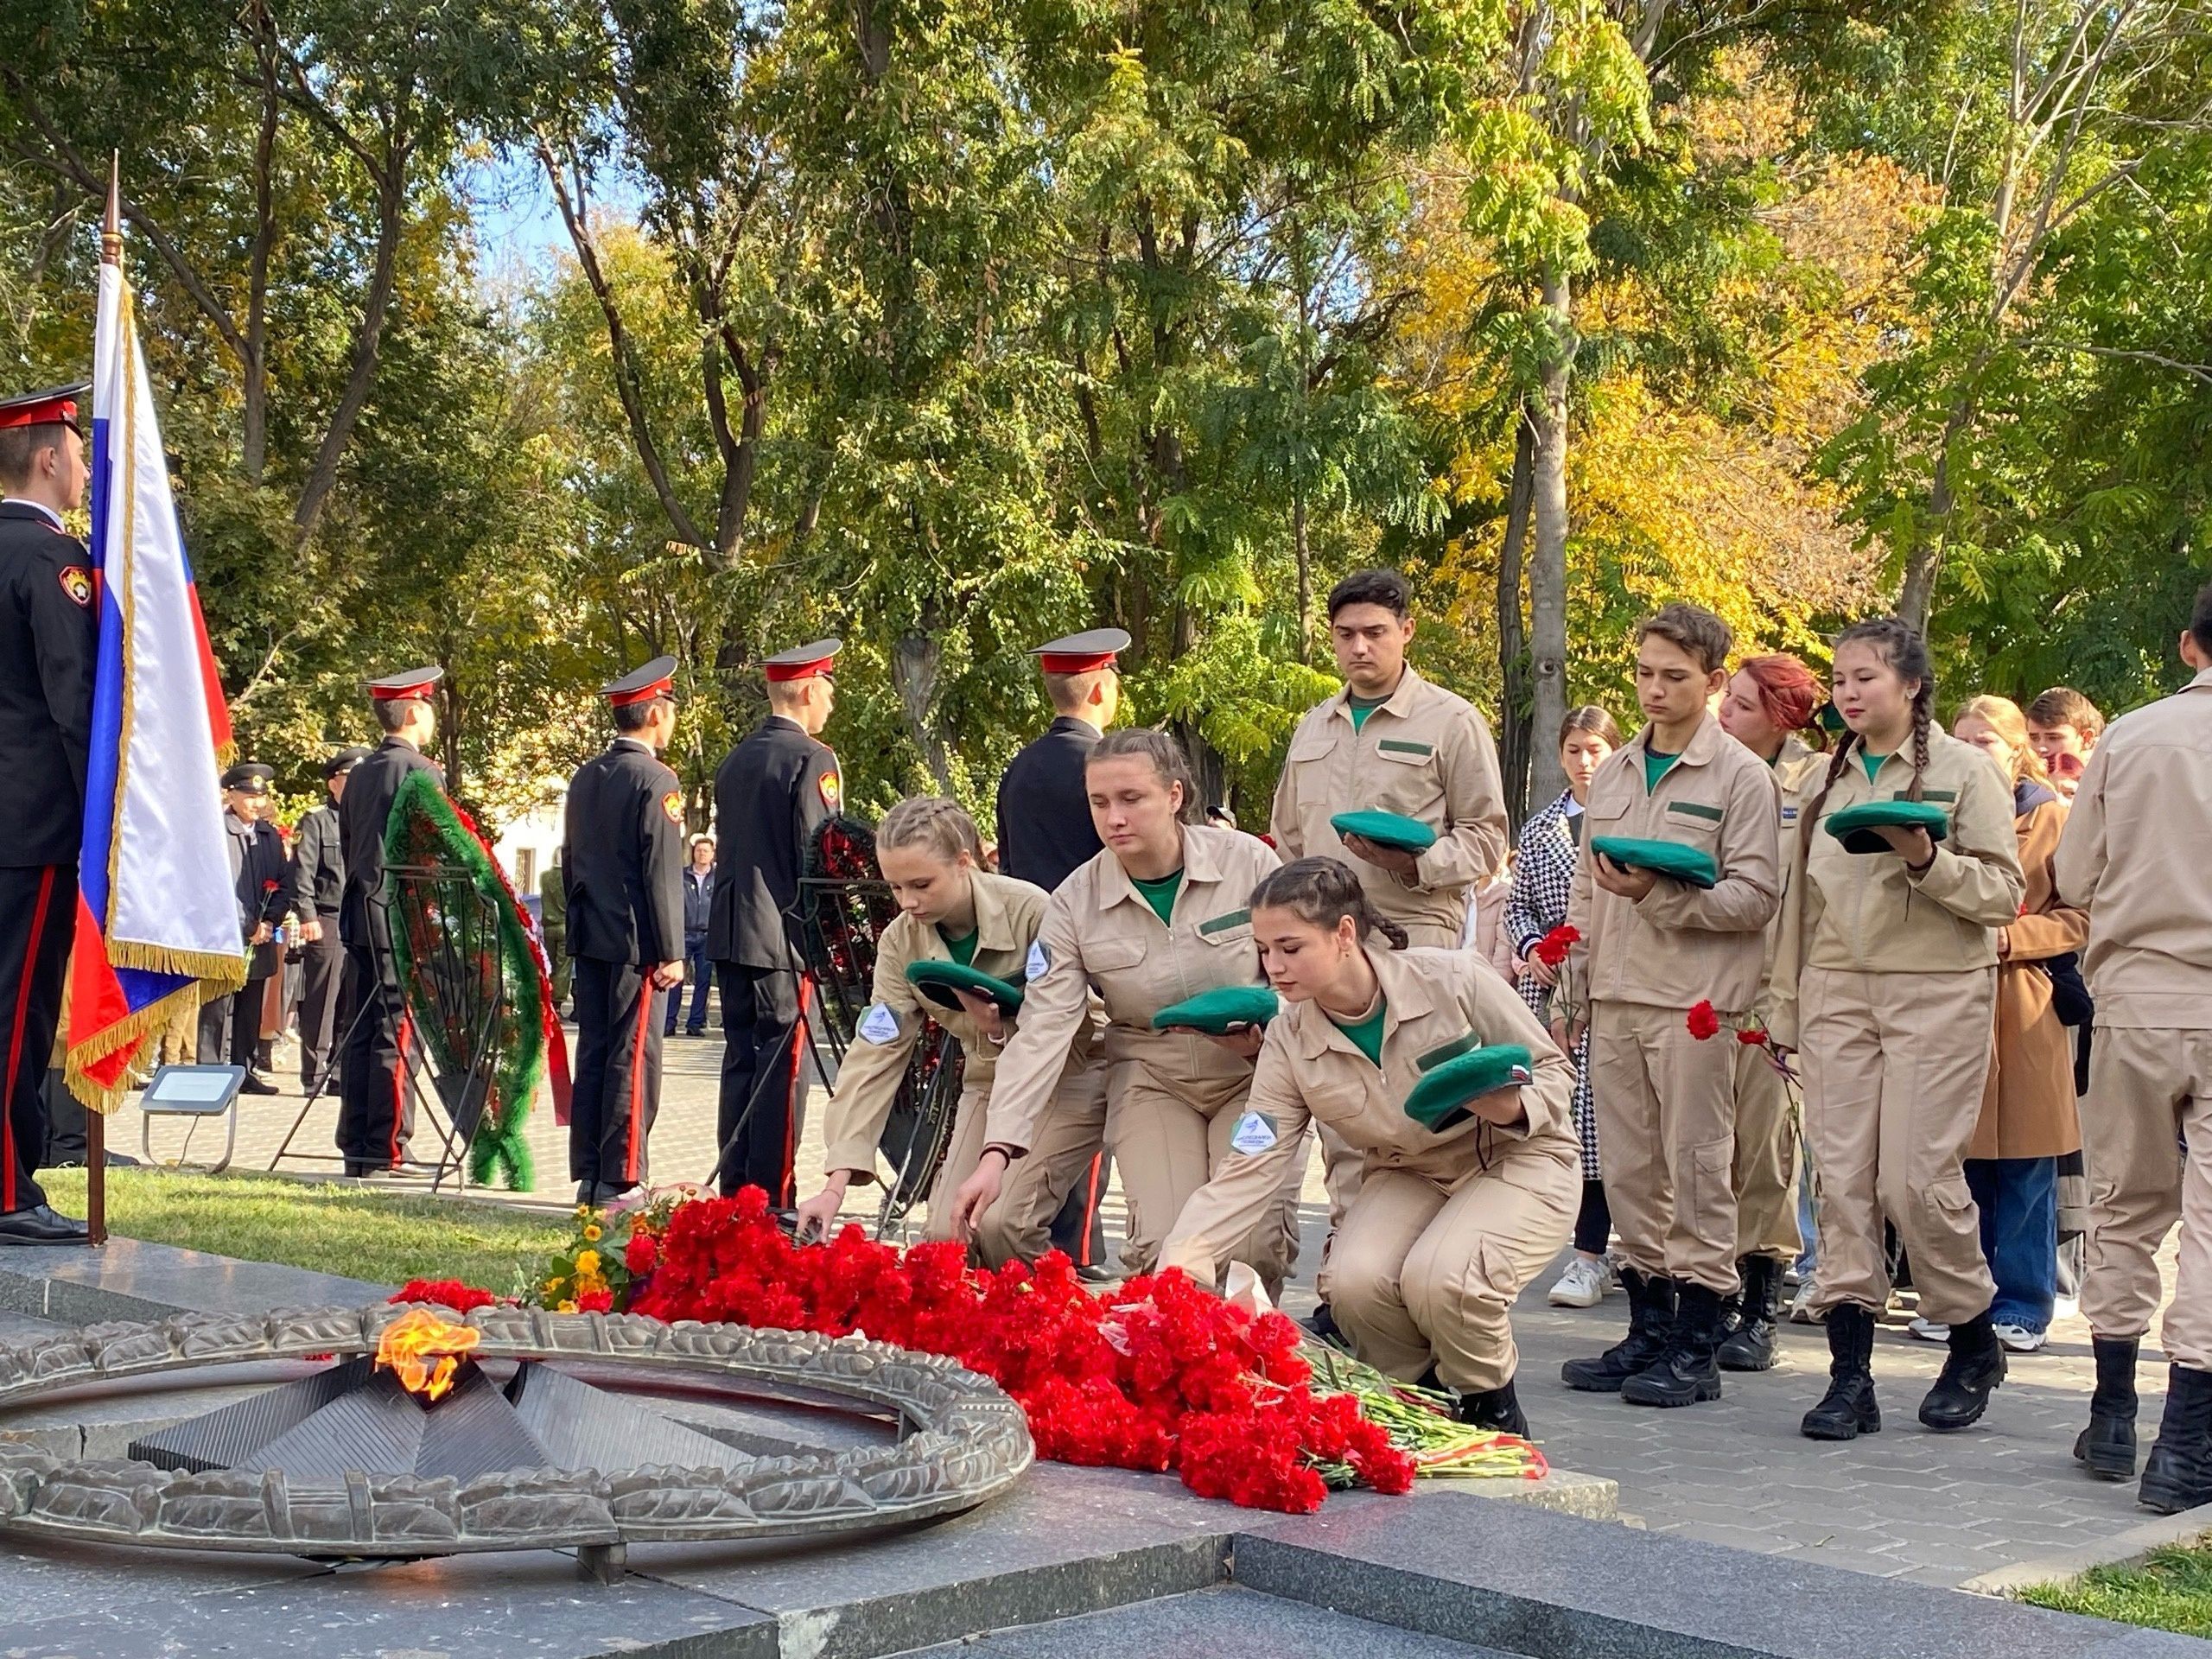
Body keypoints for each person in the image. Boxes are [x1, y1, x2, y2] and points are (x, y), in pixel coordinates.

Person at [1160, 857, 1577, 1433]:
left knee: (1443, 1278)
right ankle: (1425, 1403)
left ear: (1345, 934)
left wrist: (1511, 1105)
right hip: (1410, 1171)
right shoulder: (1287, 1038)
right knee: (1354, 1286)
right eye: (1263, 950)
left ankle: (1492, 1408)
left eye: (1290, 947)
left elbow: (1554, 1072)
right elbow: (1251, 1161)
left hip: (1518, 1157)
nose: (1273, 968)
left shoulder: (1455, 978)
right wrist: (1180, 1267)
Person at [1770, 617, 2025, 1440]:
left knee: (1915, 1182)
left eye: (1865, 678)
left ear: (1911, 686)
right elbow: (1797, 909)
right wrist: (1785, 1006)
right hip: (1839, 988)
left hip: (1938, 990)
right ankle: (1850, 1378)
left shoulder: (1965, 771)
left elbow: (2000, 898)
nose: (1847, 692)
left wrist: (1926, 860)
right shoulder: (1823, 778)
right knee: (1840, 1179)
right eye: (1840, 679)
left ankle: (1972, 1335)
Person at [949, 728, 1292, 1283]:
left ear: (1175, 796)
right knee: (1167, 1251)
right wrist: (997, 1154)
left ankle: (1251, 1365)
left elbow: (1303, 973)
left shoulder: (1248, 864)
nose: (1114, 818)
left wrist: (1271, 1028)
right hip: (1153, 1076)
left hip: (1255, 1072)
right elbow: (1043, 1032)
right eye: (1100, 803)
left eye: (1132, 799)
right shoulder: (1075, 903)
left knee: (1252, 1244)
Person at [1555, 604, 1782, 1409]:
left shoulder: (1741, 778)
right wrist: (1570, 984)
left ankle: (1697, 1338)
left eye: (1675, 677)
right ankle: (1647, 1325)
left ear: (1716, 683)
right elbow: (1586, 889)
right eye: (1645, 673)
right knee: (1627, 1169)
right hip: (1615, 997)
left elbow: (1756, 898)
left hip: (1695, 1000)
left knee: (1695, 1165)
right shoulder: (1613, 771)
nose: (1654, 690)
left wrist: (1662, 898)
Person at [1271, 568, 1511, 1262]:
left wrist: (1415, 863)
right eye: (1345, 635)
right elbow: (1288, 833)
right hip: (1324, 947)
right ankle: (1348, 1272)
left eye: (1375, 633)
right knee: (1344, 1113)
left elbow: (1489, 836)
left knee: (1416, 1114)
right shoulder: (1314, 724)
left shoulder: (1451, 720)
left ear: (1406, 632)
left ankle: (1423, 1268)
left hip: (1410, 940)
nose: (1359, 648)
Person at [2055, 584, 2212, 1509]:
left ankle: (2112, 1412)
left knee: (2123, 1204)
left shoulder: (2133, 734)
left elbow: (2074, 872)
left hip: (2140, 999)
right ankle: (2185, 1442)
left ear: (2191, 645)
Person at [796, 798, 1097, 1249]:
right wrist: (834, 1185)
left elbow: (1058, 1029)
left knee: (999, 1228)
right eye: (895, 888)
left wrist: (998, 1031)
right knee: (945, 1236)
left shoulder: (1032, 911)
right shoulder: (900, 941)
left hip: (1066, 1077)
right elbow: (875, 1055)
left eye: (921, 884)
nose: (908, 902)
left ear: (964, 862)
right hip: (988, 1081)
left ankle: (1048, 1315)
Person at [1895, 697, 2083, 1360]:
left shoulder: (2051, 817)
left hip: (2026, 1005)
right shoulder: (1933, 813)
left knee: (2027, 1167)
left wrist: (2012, 938)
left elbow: (2081, 914)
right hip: (1948, 998)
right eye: (1964, 739)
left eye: (1989, 742)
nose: (1975, 751)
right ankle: (1958, 1301)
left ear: (2016, 750)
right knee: (1955, 1159)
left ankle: (2024, 1303)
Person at [994, 627, 1132, 1277]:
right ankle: (1078, 1250)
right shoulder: (1108, 767)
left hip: (1032, 959)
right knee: (1087, 1103)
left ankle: (1037, 1236)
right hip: (1096, 953)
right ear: (1103, 688)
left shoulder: (1019, 767)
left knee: (1044, 1098)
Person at [1709, 653, 1828, 1369]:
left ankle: (1759, 1305)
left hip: (1773, 989)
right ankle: (1706, 1295)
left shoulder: (1813, 782)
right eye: (1727, 699)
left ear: (1785, 716)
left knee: (1766, 1150)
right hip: (1701, 978)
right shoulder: (1706, 768)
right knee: (1699, 1147)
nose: (1726, 713)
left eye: (1744, 705)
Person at [0, 384, 94, 1243]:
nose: (85, 470)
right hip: (28, 828)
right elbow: (75, 702)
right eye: (78, 453)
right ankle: (5, 1191)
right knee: (15, 1009)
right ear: (47, 458)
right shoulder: (45, 558)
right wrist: (105, 818)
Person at [708, 639, 842, 1204]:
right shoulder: (813, 759)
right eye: (829, 692)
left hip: (732, 931)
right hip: (785, 937)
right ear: (810, 689)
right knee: (783, 1069)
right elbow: (822, 860)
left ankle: (737, 1189)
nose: (831, 705)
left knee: (740, 1062)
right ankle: (773, 1195)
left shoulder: (736, 758)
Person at [1504, 706, 1621, 1308]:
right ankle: (1575, 1249)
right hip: (1549, 986)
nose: (1584, 762)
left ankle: (1598, 1253)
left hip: (1614, 984)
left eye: (1596, 749)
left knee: (1606, 1126)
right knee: (1562, 1121)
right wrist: (1531, 947)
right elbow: (1517, 904)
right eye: (1574, 749)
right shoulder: (1542, 827)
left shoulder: (1630, 817)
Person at [563, 658, 686, 1205]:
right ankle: (623, 1172)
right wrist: (671, 950)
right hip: (637, 940)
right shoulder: (657, 779)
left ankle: (590, 1169)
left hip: (591, 931)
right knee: (634, 1054)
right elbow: (661, 870)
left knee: (594, 1049)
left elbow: (571, 860)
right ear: (656, 713)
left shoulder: (585, 776)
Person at [337, 667, 444, 1177]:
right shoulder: (420, 771)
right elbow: (432, 854)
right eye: (428, 706)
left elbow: (348, 847)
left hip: (361, 913)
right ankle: (388, 1146)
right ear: (414, 712)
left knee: (360, 1030)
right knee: (396, 1030)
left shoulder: (359, 772)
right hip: (400, 916)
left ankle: (357, 1143)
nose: (432, 716)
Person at [200, 764, 291, 1092]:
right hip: (226, 937)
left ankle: (244, 1070)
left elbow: (284, 882)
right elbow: (215, 887)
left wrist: (270, 921)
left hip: (261, 936)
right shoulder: (216, 831)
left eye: (260, 797)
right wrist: (247, 925)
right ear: (232, 795)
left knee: (250, 1006)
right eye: (249, 796)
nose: (255, 803)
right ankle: (210, 1073)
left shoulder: (268, 836)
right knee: (218, 1007)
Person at [289, 746, 365, 1094]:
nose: (354, 786)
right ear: (332, 783)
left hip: (360, 916)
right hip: (327, 916)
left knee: (351, 1000)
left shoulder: (365, 817)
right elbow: (302, 872)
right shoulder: (317, 820)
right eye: (349, 779)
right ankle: (314, 1073)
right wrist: (307, 914)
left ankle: (340, 1072)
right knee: (322, 998)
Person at [666, 836, 715, 1036]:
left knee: (703, 981)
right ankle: (669, 1022)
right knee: (675, 979)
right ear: (693, 852)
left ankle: (695, 1023)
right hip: (683, 933)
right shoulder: (682, 876)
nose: (702, 854)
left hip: (707, 935)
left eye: (706, 850)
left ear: (712, 854)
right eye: (698, 850)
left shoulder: (718, 878)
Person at [2027, 687, 2104, 802]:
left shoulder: (2109, 786)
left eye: (2053, 738)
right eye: (2034, 738)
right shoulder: (2017, 788)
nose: (2041, 748)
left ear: (2087, 739)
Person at [538, 850, 570, 1015]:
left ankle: (546, 996)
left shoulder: (545, 877)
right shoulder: (568, 877)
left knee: (549, 964)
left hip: (549, 927)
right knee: (563, 967)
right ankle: (557, 1003)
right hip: (565, 926)